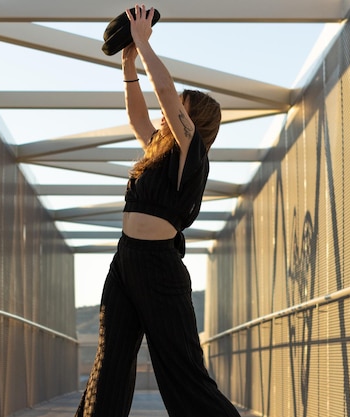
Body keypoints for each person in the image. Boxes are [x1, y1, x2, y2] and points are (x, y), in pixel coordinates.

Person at [75, 5, 242, 417]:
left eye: (181, 111)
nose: (172, 115)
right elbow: (137, 115)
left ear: (192, 120)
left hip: (160, 270)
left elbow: (166, 95)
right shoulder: (157, 150)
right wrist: (129, 63)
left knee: (181, 369)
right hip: (125, 261)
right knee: (109, 361)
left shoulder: (193, 154)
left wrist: (146, 44)